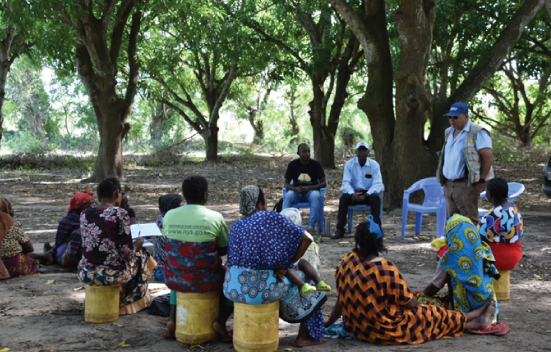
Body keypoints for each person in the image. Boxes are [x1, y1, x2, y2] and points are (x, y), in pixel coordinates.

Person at [324, 215, 497, 344]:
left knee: (427, 308)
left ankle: (470, 318)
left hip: (357, 325)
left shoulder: (346, 261)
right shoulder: (384, 268)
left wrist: (329, 322)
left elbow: (342, 297)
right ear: (379, 242)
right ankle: (473, 320)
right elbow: (410, 304)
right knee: (428, 314)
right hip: (382, 330)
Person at [224, 185, 327, 348]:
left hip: (233, 287)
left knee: (280, 277)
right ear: (262, 203)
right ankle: (306, 336)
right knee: (308, 281)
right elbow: (307, 238)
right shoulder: (269, 217)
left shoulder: (237, 225)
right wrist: (288, 264)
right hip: (258, 290)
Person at [162, 175, 232, 341]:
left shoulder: (169, 216)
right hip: (206, 279)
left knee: (180, 267)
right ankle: (221, 321)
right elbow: (223, 250)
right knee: (231, 275)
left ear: (184, 194)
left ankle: (172, 320)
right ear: (205, 194)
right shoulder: (215, 217)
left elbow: (169, 247)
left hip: (174, 278)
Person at [419, 214, 508, 335]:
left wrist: (420, 296)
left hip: (462, 311)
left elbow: (435, 287)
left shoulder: (449, 259)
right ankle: (486, 315)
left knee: (423, 305)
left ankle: (470, 320)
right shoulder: (483, 251)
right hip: (488, 302)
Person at [77, 178, 154, 315]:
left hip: (85, 272)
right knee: (141, 255)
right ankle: (128, 300)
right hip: (113, 274)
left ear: (99, 195)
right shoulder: (120, 214)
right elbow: (127, 254)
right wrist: (137, 245)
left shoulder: (85, 214)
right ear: (117, 193)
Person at [436, 102, 494, 225]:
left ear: (466, 117)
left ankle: (471, 244)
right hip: (448, 184)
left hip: (466, 183)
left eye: (456, 117)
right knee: (452, 221)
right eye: (450, 117)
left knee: (469, 221)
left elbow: (488, 157)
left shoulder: (477, 132)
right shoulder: (448, 132)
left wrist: (481, 181)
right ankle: (454, 244)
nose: (452, 120)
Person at [331, 141, 383, 239]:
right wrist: (352, 194)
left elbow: (377, 184)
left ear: (368, 152)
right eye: (360, 150)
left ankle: (376, 230)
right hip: (354, 193)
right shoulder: (349, 164)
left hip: (368, 193)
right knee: (343, 199)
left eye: (364, 150)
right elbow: (346, 182)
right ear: (356, 152)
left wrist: (366, 195)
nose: (362, 153)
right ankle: (340, 229)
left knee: (376, 199)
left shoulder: (374, 165)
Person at [279, 207, 331, 294]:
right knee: (300, 263)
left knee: (298, 264)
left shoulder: (279, 235)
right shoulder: (298, 235)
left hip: (289, 262)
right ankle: (313, 283)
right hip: (290, 262)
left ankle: (309, 284)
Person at [478, 178, 524, 271]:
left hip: (501, 256)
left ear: (490, 194)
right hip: (516, 251)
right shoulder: (514, 207)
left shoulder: (497, 212)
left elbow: (484, 238)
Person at [0, 197, 52, 279]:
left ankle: (43, 257)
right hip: (13, 267)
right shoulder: (13, 227)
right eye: (10, 208)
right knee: (20, 255)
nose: (12, 211)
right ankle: (43, 258)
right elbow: (29, 248)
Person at [282, 143, 326, 234]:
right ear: (298, 153)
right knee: (288, 195)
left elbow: (323, 183)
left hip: (311, 191)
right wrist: (295, 189)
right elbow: (286, 184)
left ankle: (311, 227)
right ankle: (284, 225)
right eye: (304, 152)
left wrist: (309, 187)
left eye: (308, 151)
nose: (307, 154)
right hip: (296, 192)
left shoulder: (316, 165)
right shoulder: (293, 165)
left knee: (316, 195)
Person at [52, 190, 95, 267]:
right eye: (91, 203)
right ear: (83, 206)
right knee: (78, 233)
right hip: (65, 254)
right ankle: (72, 261)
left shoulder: (87, 217)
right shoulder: (68, 220)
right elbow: (59, 241)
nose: (94, 205)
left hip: (78, 252)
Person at [153, 193, 183, 281]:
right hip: (165, 270)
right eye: (181, 205)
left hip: (160, 269)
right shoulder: (169, 222)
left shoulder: (160, 219)